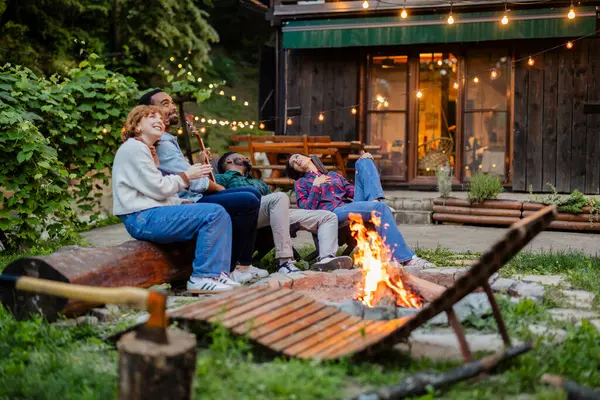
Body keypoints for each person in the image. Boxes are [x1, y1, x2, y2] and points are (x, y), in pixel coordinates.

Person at [138, 89, 261, 283]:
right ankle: (227, 269)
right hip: (182, 201)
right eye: (165, 104)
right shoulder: (160, 142)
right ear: (148, 113)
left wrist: (199, 163)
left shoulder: (167, 140)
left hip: (189, 195)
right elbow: (194, 182)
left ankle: (242, 265)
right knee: (247, 200)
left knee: (251, 193)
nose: (172, 108)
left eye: (171, 103)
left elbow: (184, 173)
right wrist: (220, 188)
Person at [112, 105, 238, 293]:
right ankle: (202, 277)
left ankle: (217, 274)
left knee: (217, 211)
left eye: (160, 119)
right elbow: (158, 188)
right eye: (151, 117)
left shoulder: (145, 149)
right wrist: (187, 175)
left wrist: (179, 203)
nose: (159, 121)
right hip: (141, 218)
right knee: (214, 213)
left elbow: (152, 191)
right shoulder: (134, 149)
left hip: (149, 214)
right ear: (137, 126)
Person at [286, 153, 436, 269]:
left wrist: (366, 178)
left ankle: (374, 202)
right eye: (293, 163)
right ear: (295, 170)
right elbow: (307, 211)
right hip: (332, 213)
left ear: (308, 157)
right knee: (380, 209)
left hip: (349, 206)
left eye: (297, 156)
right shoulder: (302, 183)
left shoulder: (333, 176)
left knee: (364, 161)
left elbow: (351, 191)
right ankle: (407, 259)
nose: (296, 160)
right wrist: (316, 186)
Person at [216, 152, 354, 272]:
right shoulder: (223, 178)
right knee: (280, 196)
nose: (246, 157)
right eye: (241, 157)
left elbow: (275, 203)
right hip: (248, 211)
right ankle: (285, 262)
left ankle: (326, 259)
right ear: (229, 161)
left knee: (328, 216)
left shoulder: (258, 182)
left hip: (275, 212)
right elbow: (210, 189)